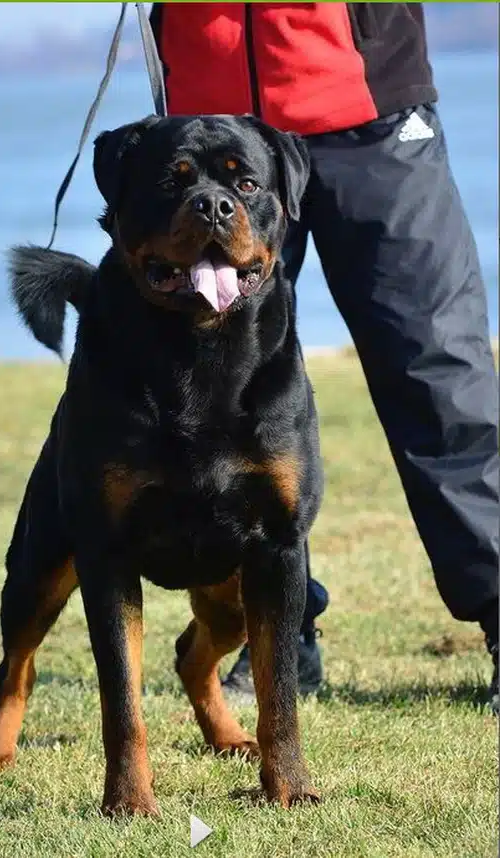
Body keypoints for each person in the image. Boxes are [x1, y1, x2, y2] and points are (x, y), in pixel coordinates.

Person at [149, 2, 499, 709]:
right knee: (217, 398)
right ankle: (277, 635)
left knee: (439, 375)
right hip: (216, 124)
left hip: (369, 110)